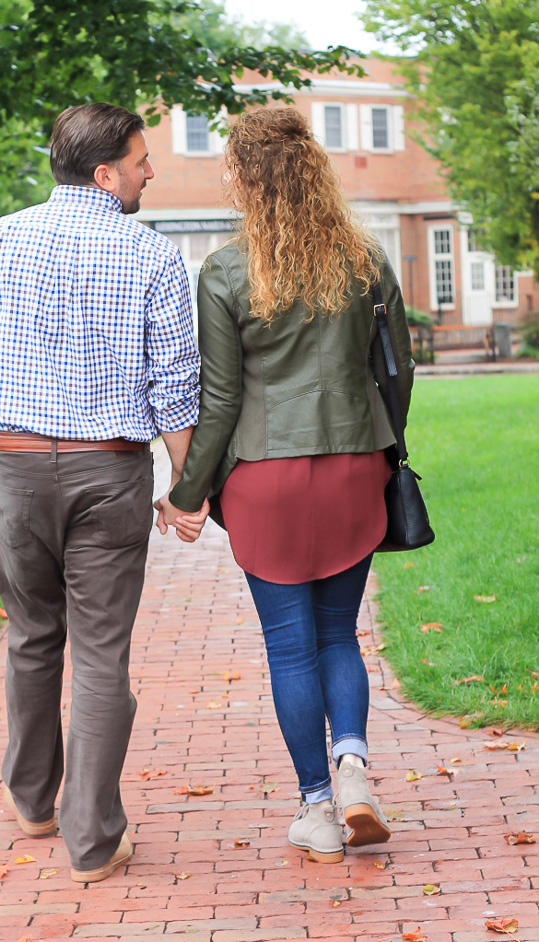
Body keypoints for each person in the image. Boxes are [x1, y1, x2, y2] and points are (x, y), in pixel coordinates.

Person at [0, 102, 206, 883]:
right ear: (105, 172)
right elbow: (174, 392)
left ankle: (31, 801)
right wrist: (185, 489)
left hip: (14, 470)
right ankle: (92, 839)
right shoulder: (151, 257)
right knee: (100, 654)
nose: (153, 170)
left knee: (30, 636)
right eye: (143, 160)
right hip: (109, 472)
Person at [156, 107, 414, 864]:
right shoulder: (364, 257)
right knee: (340, 633)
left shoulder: (228, 270)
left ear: (241, 177)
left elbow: (222, 399)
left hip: (265, 477)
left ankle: (315, 809)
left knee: (290, 648)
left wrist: (188, 492)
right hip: (350, 464)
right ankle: (354, 767)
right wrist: (386, 448)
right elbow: (396, 372)